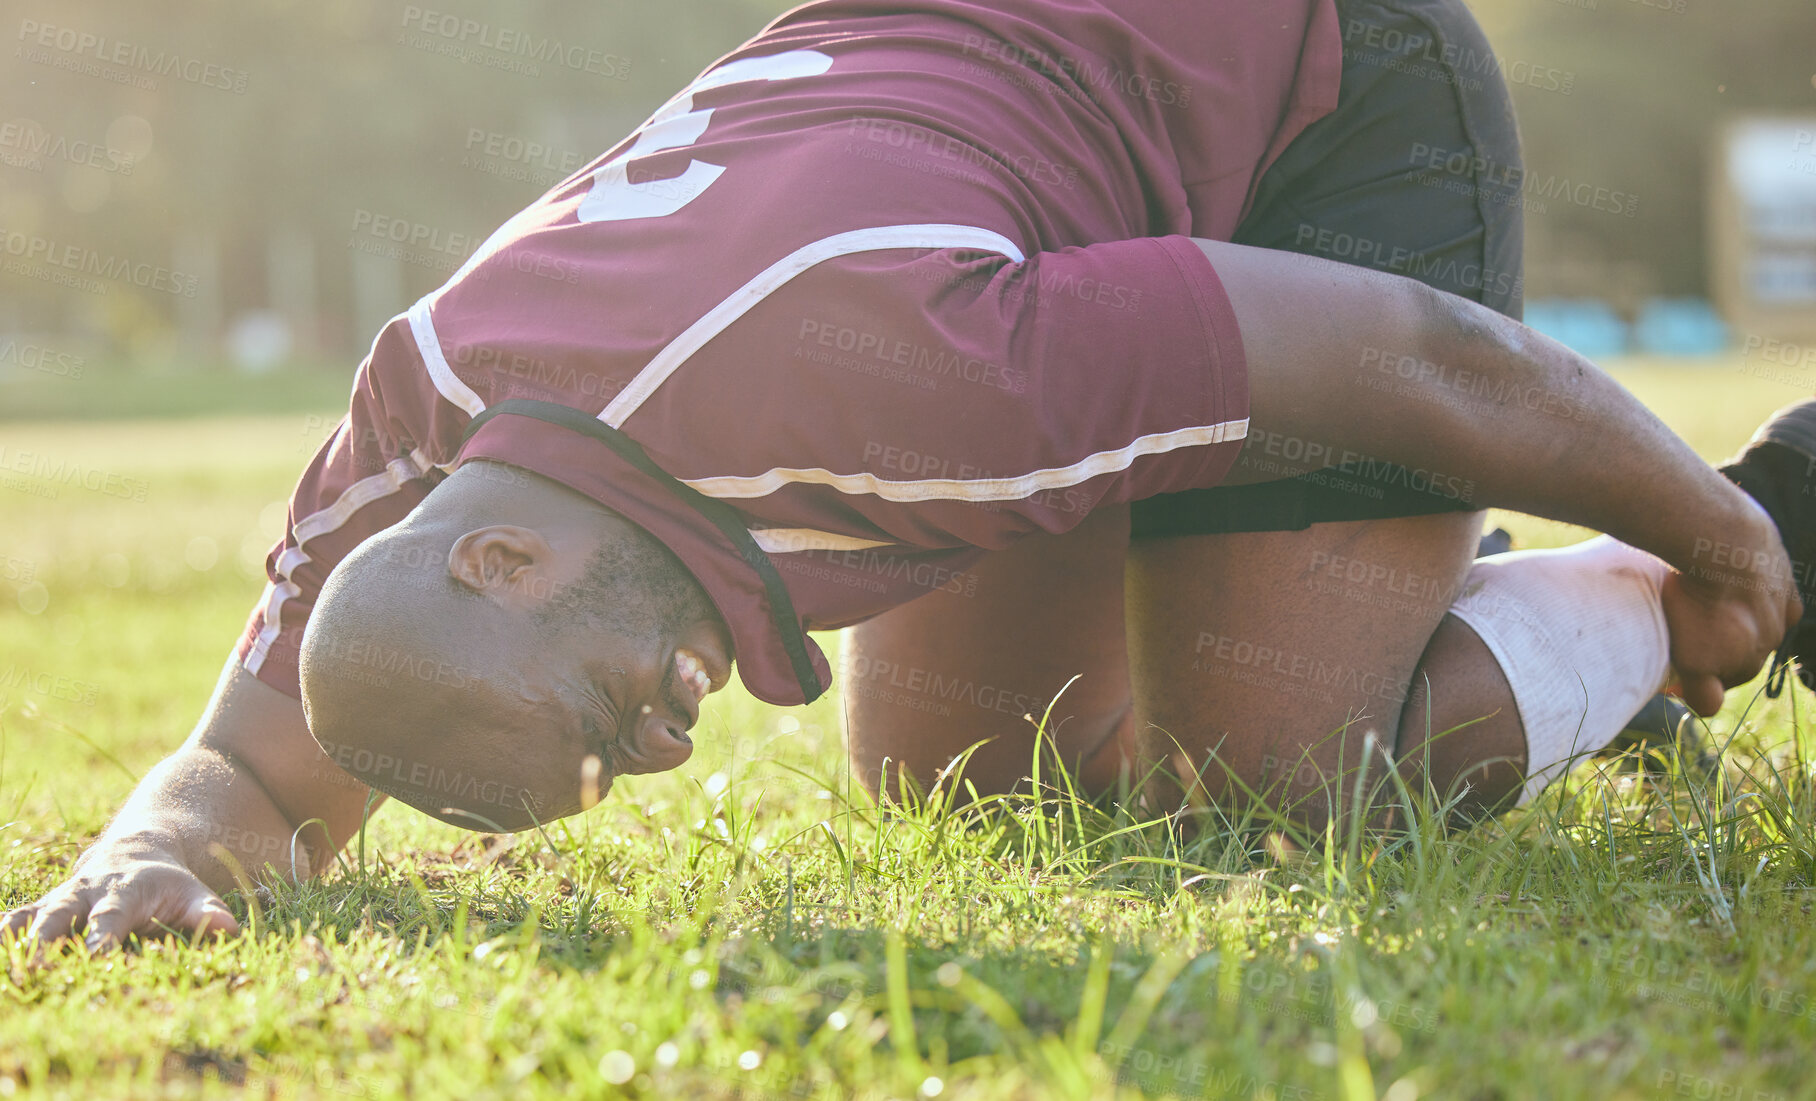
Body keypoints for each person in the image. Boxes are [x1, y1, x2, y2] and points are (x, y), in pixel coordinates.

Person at [3, 0, 1803, 952]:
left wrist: (1711, 537)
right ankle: (1422, 585)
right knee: (982, 794)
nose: (659, 752)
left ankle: (1780, 515)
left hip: (1326, 99)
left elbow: (1427, 356)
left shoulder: (902, 372)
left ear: (502, 567)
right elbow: (251, 760)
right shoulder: (420, 422)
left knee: (1268, 789)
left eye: (592, 722)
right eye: (615, 766)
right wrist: (167, 844)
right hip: (1051, 158)